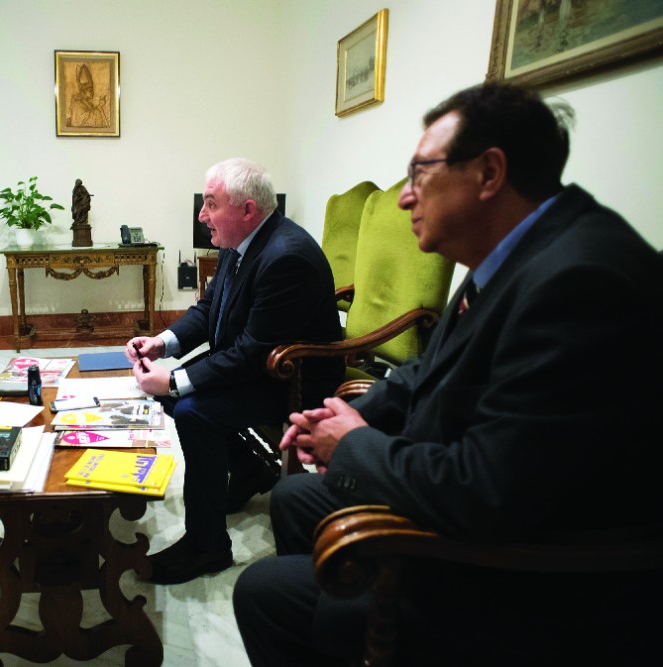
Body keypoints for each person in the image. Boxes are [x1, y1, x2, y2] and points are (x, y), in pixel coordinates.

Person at [232, 83, 663, 665]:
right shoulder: (516, 248)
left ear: (488, 173)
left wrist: (356, 444)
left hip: (534, 581)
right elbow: (426, 374)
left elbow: (486, 493)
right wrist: (342, 417)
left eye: (420, 174)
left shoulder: (581, 281)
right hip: (481, 501)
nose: (406, 198)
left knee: (262, 591)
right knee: (292, 496)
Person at [126, 158, 343, 585]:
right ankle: (248, 469)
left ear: (247, 209)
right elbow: (209, 310)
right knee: (174, 392)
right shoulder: (239, 241)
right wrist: (162, 343)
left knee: (190, 410)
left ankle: (208, 546)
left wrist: (171, 379)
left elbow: (250, 354)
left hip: (293, 379)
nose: (202, 215)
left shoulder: (286, 257)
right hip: (258, 364)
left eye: (210, 204)